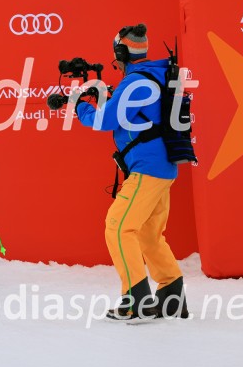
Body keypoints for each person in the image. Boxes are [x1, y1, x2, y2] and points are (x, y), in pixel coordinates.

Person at [74, 24, 188, 321]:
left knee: (118, 226)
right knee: (149, 234)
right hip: (163, 168)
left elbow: (105, 120)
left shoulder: (136, 82)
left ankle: (135, 301)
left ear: (121, 53)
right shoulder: (156, 75)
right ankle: (172, 298)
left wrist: (79, 107)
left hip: (147, 169)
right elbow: (130, 113)